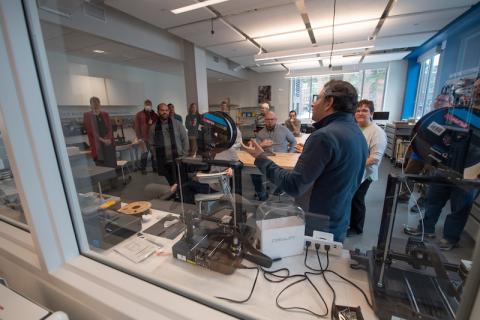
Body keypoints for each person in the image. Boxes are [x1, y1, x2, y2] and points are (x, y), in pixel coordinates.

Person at [242, 80, 368, 242]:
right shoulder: (357, 133)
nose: (313, 104)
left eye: (317, 98)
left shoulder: (324, 136)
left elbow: (294, 185)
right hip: (338, 220)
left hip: (317, 224)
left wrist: (260, 158)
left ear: (329, 102)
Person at [404, 83, 480, 250]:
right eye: (475, 86)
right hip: (446, 166)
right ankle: (426, 229)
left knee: (459, 207)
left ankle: (450, 238)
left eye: (478, 87)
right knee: (434, 199)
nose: (476, 89)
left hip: (470, 172)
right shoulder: (460, 111)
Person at [349, 100, 387, 235]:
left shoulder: (377, 132)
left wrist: (353, 165)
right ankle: (350, 223)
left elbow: (375, 158)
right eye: (358, 110)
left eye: (364, 110)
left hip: (366, 173)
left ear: (371, 113)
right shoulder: (355, 128)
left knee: (357, 199)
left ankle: (356, 228)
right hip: (354, 171)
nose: (360, 113)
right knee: (350, 198)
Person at [251, 111, 297, 200]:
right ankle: (261, 193)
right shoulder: (261, 133)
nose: (269, 121)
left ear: (276, 120)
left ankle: (281, 187)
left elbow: (293, 141)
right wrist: (261, 145)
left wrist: (290, 154)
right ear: (265, 120)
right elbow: (255, 148)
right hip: (266, 158)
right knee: (254, 172)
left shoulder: (284, 129)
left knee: (284, 173)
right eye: (267, 119)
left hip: (282, 158)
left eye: (272, 119)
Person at [149, 103, 189, 194]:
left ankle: (184, 197)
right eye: (162, 110)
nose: (165, 112)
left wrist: (184, 154)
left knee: (182, 182)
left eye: (166, 110)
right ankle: (176, 196)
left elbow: (185, 139)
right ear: (158, 111)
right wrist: (156, 156)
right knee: (172, 183)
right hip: (164, 161)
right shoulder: (153, 128)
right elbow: (151, 144)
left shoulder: (177, 124)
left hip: (178, 159)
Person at [83, 96, 116, 168]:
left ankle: (113, 179)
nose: (96, 107)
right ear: (90, 105)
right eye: (93, 105)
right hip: (97, 146)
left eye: (97, 105)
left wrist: (109, 139)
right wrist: (103, 140)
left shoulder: (105, 114)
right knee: (101, 167)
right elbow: (91, 131)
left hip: (108, 144)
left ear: (99, 104)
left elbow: (110, 128)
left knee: (112, 166)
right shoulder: (87, 116)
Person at [134, 99, 158, 174]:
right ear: (144, 105)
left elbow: (157, 126)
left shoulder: (154, 115)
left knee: (154, 153)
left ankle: (155, 167)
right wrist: (139, 138)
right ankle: (143, 169)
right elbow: (136, 126)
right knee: (144, 153)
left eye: (149, 105)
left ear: (151, 106)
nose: (148, 106)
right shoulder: (139, 114)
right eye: (146, 105)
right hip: (144, 138)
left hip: (153, 138)